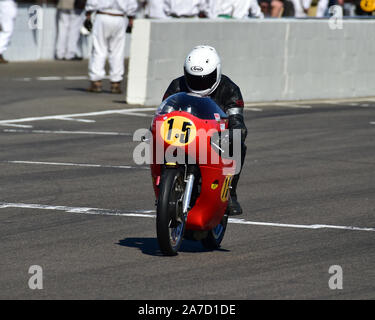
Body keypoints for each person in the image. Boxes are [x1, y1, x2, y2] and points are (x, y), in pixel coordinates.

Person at [163, 46, 247, 216]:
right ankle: (164, 185)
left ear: (217, 72)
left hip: (214, 139)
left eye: (204, 79)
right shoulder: (177, 85)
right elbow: (164, 113)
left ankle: (229, 192)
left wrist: (235, 131)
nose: (199, 84)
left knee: (238, 144)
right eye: (194, 79)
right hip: (184, 135)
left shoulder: (230, 89)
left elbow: (236, 120)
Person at [85, 0, 138, 94]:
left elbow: (92, 2)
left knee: (99, 49)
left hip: (102, 15)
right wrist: (131, 18)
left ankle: (96, 82)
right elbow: (132, 5)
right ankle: (115, 83)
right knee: (117, 51)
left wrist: (88, 14)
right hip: (119, 17)